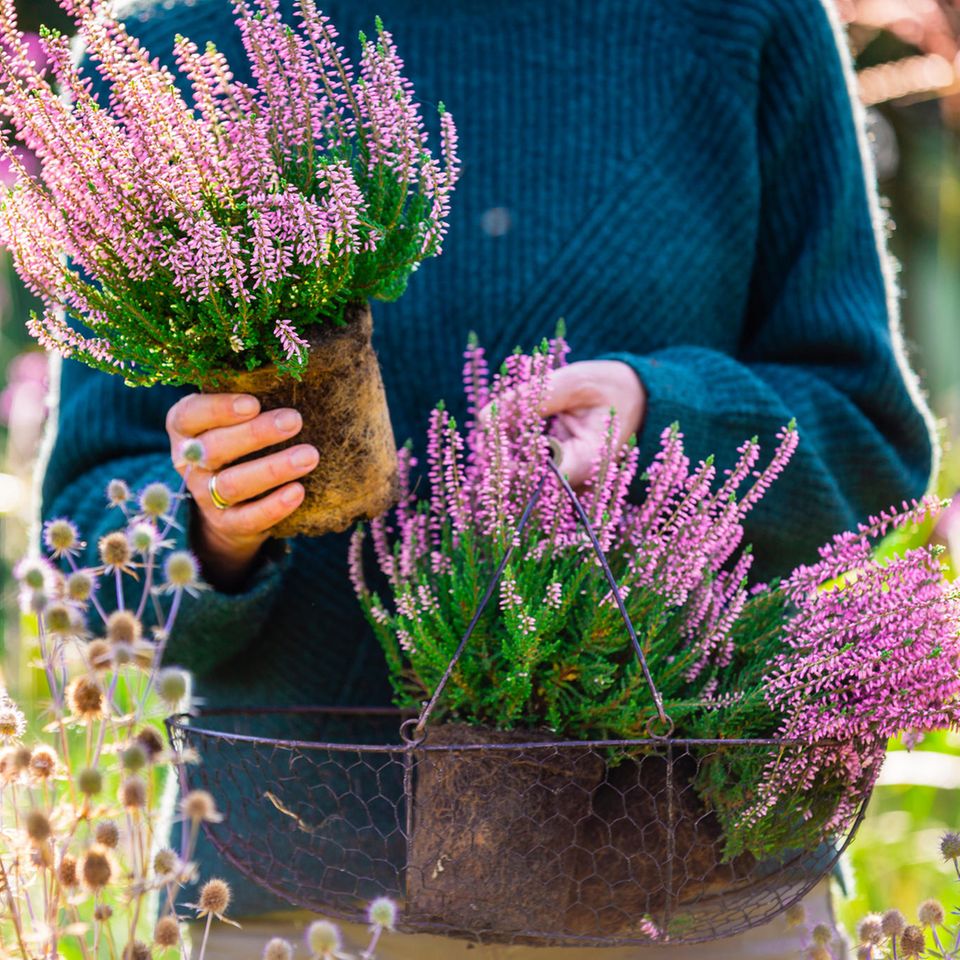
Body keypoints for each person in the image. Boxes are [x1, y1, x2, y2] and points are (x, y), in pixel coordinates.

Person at [40, 0, 937, 956]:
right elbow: (90, 533)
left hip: (687, 877)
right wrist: (213, 525)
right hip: (301, 891)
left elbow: (869, 439)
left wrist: (668, 424)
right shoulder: (177, 51)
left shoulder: (738, 19)